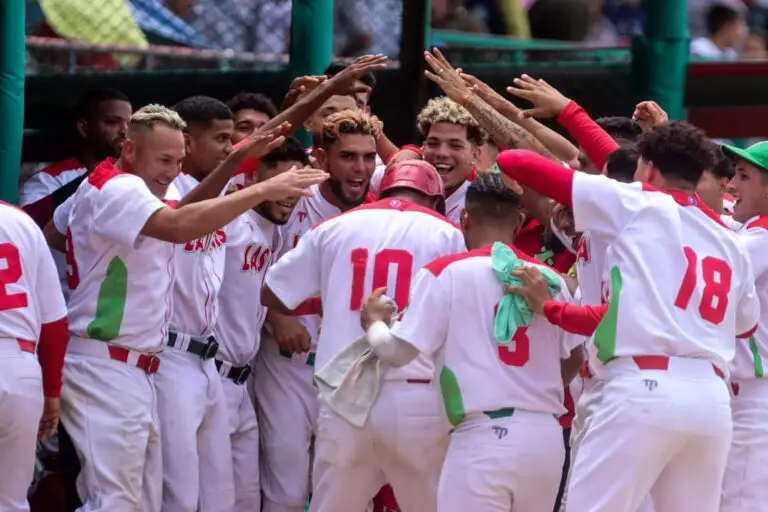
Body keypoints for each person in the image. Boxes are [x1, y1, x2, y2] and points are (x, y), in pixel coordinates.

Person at [52, 104, 328, 511]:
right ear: (129, 150)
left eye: (178, 161)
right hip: (107, 361)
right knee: (114, 501)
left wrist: (236, 160)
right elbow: (179, 226)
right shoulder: (118, 187)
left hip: (137, 364)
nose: (171, 171)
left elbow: (175, 214)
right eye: (164, 160)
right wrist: (262, 188)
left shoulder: (120, 190)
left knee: (140, 502)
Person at [497, 120, 760, 511]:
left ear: (649, 168)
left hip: (642, 388)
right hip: (710, 401)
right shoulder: (728, 236)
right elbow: (745, 324)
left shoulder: (635, 202)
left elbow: (514, 161)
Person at [356, 172, 581, 512]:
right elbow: (574, 356)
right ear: (519, 221)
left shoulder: (445, 272)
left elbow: (397, 352)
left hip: (481, 437)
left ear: (464, 218)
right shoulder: (549, 279)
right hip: (544, 437)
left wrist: (374, 325)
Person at [261, 159, 467, 512]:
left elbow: (272, 293)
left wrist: (334, 293)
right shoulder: (446, 232)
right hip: (414, 395)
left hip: (345, 396)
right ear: (434, 198)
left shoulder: (335, 226)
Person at [251, 109, 379, 512]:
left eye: (368, 157)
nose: (360, 168)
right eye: (347, 156)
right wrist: (278, 315)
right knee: (286, 492)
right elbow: (249, 267)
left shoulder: (381, 211)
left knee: (342, 493)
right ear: (321, 159)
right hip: (289, 365)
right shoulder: (293, 201)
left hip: (351, 373)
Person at [215, 137, 310, 511]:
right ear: (255, 177)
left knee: (246, 501)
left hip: (241, 380)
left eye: (298, 185)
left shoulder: (271, 228)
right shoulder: (227, 218)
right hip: (206, 368)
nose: (290, 193)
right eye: (282, 182)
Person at [154, 96, 237, 512]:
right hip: (169, 352)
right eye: (220, 138)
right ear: (188, 140)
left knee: (220, 495)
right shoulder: (166, 191)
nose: (229, 147)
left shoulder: (223, 195)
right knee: (179, 494)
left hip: (207, 358)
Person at [21, 89, 132, 296]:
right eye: (113, 122)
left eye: (129, 124)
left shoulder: (135, 182)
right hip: (61, 302)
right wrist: (102, 173)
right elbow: (28, 225)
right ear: (84, 128)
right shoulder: (49, 179)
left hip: (114, 304)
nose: (124, 131)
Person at [0, 202, 69, 512]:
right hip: (19, 367)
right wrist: (52, 392)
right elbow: (54, 321)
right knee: (11, 502)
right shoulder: (20, 221)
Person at [719, 141, 768, 511]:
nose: (732, 184)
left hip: (756, 400)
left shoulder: (761, 238)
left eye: (744, 176)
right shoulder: (749, 233)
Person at [417, 96, 485, 223]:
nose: (442, 153)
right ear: (423, 147)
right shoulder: (402, 190)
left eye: (455, 145)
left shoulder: (484, 207)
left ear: (475, 155)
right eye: (433, 143)